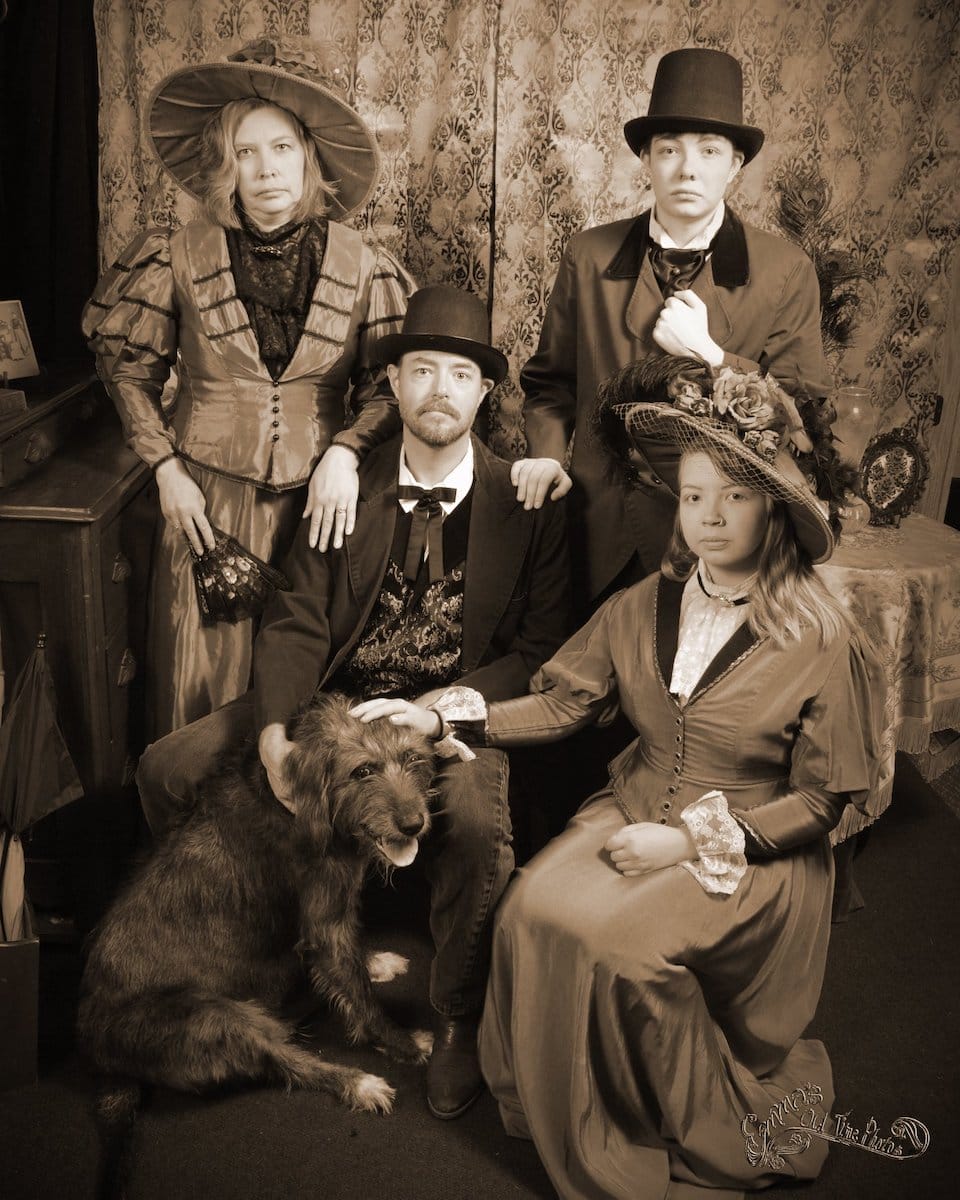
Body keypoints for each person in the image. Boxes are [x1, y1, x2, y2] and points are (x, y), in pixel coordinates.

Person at [354, 353, 884, 1198]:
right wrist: (445, 717)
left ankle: (650, 1118)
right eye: (697, 494)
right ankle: (560, 1103)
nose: (710, 517)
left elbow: (824, 800)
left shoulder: (821, 635)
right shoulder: (648, 600)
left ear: (774, 511)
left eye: (737, 497)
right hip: (633, 803)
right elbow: (565, 702)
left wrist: (684, 843)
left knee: (619, 950)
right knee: (527, 909)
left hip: (747, 845)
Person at [136, 285, 572, 1121]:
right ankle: (270, 950)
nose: (439, 389)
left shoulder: (527, 502)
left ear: (484, 393)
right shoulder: (344, 486)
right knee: (168, 767)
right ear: (395, 388)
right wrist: (273, 732)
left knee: (478, 822)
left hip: (449, 719)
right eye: (420, 370)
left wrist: (448, 708)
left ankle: (454, 1015)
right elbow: (297, 616)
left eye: (459, 373)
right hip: (334, 710)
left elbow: (542, 653)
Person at [82, 41, 415, 737]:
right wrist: (166, 469)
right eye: (246, 153)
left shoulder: (365, 265)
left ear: (309, 157)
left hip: (321, 507)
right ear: (224, 166)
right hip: (206, 501)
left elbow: (390, 385)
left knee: (302, 686)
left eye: (282, 149)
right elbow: (129, 370)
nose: (265, 170)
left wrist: (348, 452)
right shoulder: (174, 253)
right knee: (198, 686)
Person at [510, 47, 833, 616]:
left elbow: (803, 419)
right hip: (595, 524)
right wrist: (547, 458)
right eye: (669, 150)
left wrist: (713, 356)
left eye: (709, 151)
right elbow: (550, 385)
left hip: (720, 536)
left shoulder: (786, 270)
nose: (688, 169)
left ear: (735, 165)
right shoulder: (588, 255)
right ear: (646, 159)